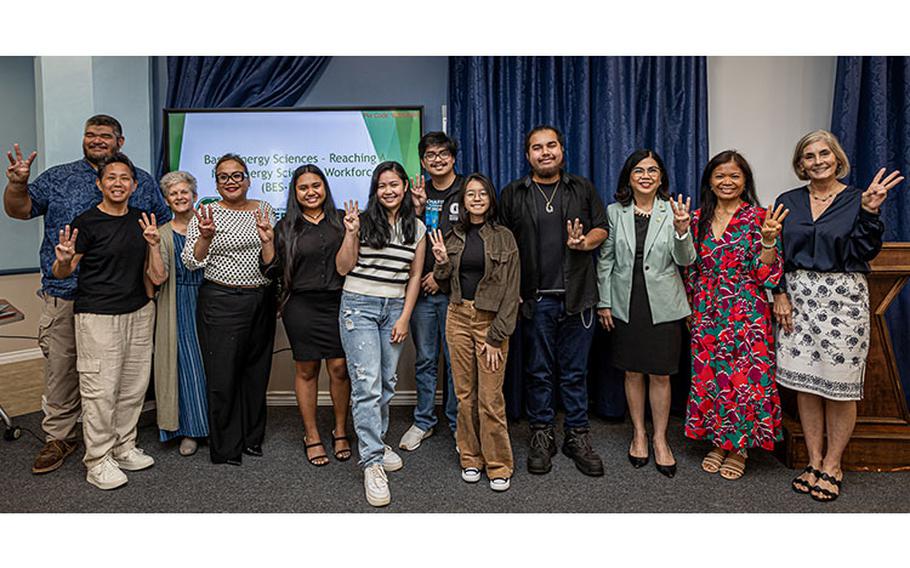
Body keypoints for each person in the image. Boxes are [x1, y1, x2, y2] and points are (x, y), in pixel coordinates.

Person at [3, 114, 170, 474]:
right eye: (90, 135)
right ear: (100, 183)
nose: (97, 141)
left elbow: (165, 224)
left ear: (119, 142)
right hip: (67, 295)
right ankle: (60, 438)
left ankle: (120, 443)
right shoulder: (59, 178)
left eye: (105, 136)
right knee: (66, 374)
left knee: (124, 379)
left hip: (128, 300)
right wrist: (18, 184)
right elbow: (19, 210)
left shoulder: (140, 181)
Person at [773, 130, 902, 502]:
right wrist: (779, 292)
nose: (817, 161)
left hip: (842, 299)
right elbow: (775, 252)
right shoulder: (787, 201)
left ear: (836, 157)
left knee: (839, 385)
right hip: (797, 299)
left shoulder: (857, 199)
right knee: (806, 384)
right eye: (809, 156)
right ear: (800, 165)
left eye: (823, 153)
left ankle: (833, 464)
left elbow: (866, 248)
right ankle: (813, 461)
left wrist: (871, 211)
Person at [499, 125, 608, 477]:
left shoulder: (582, 187)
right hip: (535, 300)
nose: (545, 152)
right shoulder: (514, 193)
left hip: (578, 297)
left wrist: (583, 244)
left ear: (562, 149)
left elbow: (601, 228)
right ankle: (541, 434)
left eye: (551, 146)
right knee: (539, 372)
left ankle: (577, 436)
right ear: (527, 154)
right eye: (537, 148)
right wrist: (509, 286)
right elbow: (501, 243)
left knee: (575, 373)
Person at [51, 153, 159, 490]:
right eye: (111, 178)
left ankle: (123, 446)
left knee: (132, 386)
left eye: (124, 178)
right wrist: (65, 261)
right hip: (97, 316)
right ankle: (97, 460)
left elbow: (153, 273)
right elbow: (63, 271)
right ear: (99, 184)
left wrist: (154, 246)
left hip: (139, 312)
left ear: (134, 184)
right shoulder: (86, 222)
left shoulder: (143, 219)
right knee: (101, 390)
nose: (118, 183)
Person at [684, 150, 789, 480]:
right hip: (706, 309)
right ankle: (718, 440)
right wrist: (690, 306)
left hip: (746, 311)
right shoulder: (697, 217)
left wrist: (769, 241)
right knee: (711, 377)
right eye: (719, 176)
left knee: (743, 381)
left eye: (734, 176)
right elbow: (690, 267)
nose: (726, 181)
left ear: (745, 181)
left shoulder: (761, 218)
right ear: (710, 181)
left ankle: (739, 446)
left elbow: (767, 276)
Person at [596, 149, 695, 478]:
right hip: (625, 301)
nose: (646, 176)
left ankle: (660, 439)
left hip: (664, 303)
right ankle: (638, 433)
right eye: (638, 170)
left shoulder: (674, 212)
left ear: (662, 177)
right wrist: (604, 301)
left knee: (661, 374)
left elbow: (685, 261)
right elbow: (606, 259)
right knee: (632, 373)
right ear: (629, 177)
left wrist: (682, 230)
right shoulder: (615, 212)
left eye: (653, 170)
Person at [335, 161, 426, 507]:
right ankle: (372, 461)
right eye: (382, 185)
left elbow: (415, 275)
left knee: (386, 382)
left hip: (394, 311)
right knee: (367, 383)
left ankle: (376, 440)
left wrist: (404, 317)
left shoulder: (415, 227)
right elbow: (343, 268)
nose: (388, 190)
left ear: (404, 187)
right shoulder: (362, 222)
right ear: (375, 190)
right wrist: (350, 233)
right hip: (359, 307)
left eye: (394, 184)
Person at [182, 153, 276, 466]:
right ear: (217, 182)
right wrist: (205, 238)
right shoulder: (207, 213)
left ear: (248, 179)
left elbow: (271, 261)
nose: (231, 181)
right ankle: (226, 446)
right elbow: (191, 262)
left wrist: (267, 241)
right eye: (224, 176)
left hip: (261, 299)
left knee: (256, 372)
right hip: (221, 301)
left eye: (237, 175)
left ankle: (252, 438)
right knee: (223, 376)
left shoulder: (264, 209)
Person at [430, 173, 520, 491]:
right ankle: (470, 458)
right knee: (464, 396)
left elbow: (511, 292)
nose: (477, 198)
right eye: (470, 194)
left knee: (490, 398)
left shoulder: (504, 237)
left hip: (489, 322)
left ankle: (498, 464)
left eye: (482, 193)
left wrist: (496, 335)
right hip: (457, 317)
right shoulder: (452, 237)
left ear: (490, 199)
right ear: (463, 202)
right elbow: (442, 280)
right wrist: (440, 262)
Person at [260, 164, 351, 466]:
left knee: (339, 368)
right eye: (303, 187)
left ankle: (340, 430)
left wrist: (352, 233)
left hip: (339, 302)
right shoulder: (285, 225)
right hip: (300, 305)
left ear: (325, 187)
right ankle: (311, 434)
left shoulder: (342, 220)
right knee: (307, 369)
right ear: (294, 193)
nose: (311, 192)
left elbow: (351, 263)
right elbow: (271, 270)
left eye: (316, 185)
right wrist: (267, 243)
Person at [398, 132, 462, 452]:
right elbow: (409, 239)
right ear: (423, 161)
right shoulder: (415, 194)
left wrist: (439, 276)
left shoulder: (467, 190)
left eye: (443, 153)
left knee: (455, 362)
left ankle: (457, 423)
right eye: (430, 155)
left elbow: (472, 241)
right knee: (425, 359)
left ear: (453, 157)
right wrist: (418, 209)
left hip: (455, 293)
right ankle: (423, 420)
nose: (437, 159)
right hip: (422, 294)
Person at [150, 171, 208, 456]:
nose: (180, 197)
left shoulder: (210, 225)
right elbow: (158, 278)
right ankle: (189, 430)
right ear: (167, 200)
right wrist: (151, 247)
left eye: (184, 192)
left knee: (214, 365)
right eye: (173, 194)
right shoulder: (161, 234)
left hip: (211, 300)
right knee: (186, 366)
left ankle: (215, 426)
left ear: (194, 195)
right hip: (178, 302)